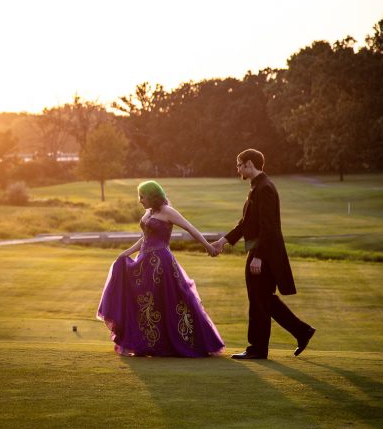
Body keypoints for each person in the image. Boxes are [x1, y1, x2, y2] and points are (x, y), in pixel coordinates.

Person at [97, 180, 224, 357]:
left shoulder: (168, 212)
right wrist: (127, 252)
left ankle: (183, 343)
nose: (140, 200)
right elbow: (145, 238)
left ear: (152, 196)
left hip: (161, 264)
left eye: (142, 196)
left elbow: (189, 228)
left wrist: (208, 246)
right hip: (144, 262)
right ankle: (144, 343)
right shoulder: (149, 212)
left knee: (169, 302)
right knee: (143, 303)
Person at [211, 148, 315, 360]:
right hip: (261, 252)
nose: (237, 168)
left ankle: (257, 349)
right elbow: (246, 223)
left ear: (249, 163)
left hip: (263, 254)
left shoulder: (265, 188)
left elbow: (269, 227)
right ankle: (302, 331)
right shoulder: (257, 187)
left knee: (259, 301)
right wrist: (224, 241)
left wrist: (258, 256)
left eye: (239, 164)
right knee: (264, 300)